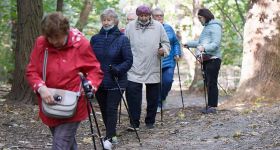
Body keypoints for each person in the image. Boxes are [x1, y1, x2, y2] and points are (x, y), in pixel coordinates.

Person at [26, 12, 104, 150]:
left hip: (74, 104)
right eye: (49, 37)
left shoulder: (81, 44)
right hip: (49, 102)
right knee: (65, 142)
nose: (53, 41)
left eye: (57, 37)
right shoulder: (41, 43)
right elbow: (32, 71)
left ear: (65, 30)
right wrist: (40, 88)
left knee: (60, 144)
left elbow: (94, 70)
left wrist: (90, 86)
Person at [90, 8, 133, 148]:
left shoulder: (123, 39)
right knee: (103, 108)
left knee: (111, 108)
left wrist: (118, 69)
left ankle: (108, 138)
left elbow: (128, 60)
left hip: (117, 79)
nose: (106, 22)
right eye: (104, 20)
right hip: (99, 80)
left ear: (115, 21)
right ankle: (112, 134)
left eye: (109, 20)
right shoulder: (95, 39)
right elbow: (89, 59)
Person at [125, 5, 170, 130]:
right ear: (138, 15)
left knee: (153, 97)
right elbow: (124, 44)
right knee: (133, 96)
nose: (144, 18)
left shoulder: (158, 26)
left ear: (150, 15)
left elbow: (166, 43)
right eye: (141, 16)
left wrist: (163, 50)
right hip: (134, 66)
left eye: (146, 16)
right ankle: (134, 123)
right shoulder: (130, 27)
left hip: (153, 65)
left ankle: (150, 121)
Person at [184, 8, 222, 114]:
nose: (200, 20)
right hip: (207, 59)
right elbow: (201, 42)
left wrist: (204, 48)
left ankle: (212, 107)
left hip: (213, 59)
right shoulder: (207, 27)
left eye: (200, 18)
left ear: (205, 16)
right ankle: (210, 105)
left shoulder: (215, 27)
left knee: (212, 83)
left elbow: (216, 44)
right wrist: (189, 44)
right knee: (208, 82)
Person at [152, 8, 182, 112]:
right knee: (156, 84)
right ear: (152, 17)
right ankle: (156, 104)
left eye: (161, 15)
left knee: (167, 81)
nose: (159, 17)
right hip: (154, 61)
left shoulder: (169, 28)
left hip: (169, 60)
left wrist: (177, 53)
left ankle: (161, 99)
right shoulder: (149, 29)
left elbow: (175, 43)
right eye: (157, 15)